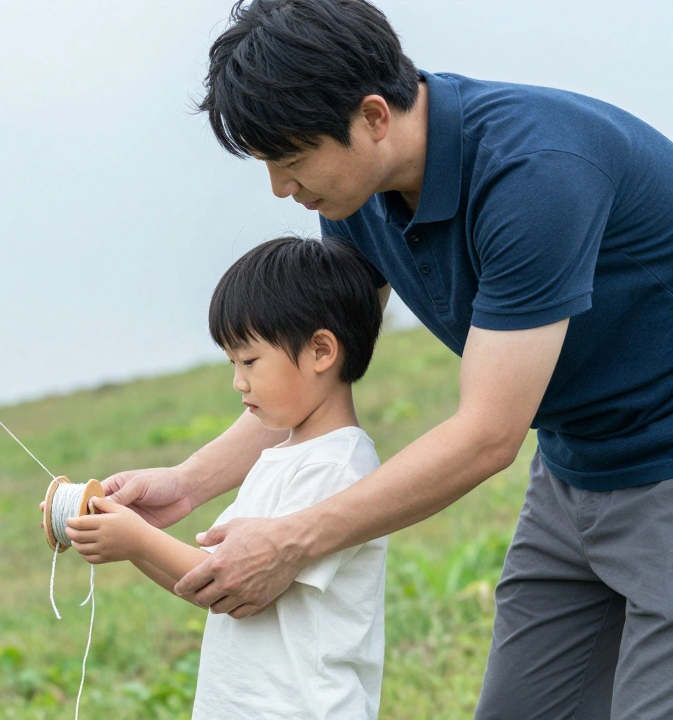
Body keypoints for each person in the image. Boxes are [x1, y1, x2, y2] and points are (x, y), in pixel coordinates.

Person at [103, 1, 673, 716]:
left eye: (291, 159)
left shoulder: (534, 176)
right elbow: (315, 377)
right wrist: (187, 485)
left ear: (373, 116)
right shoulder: (356, 197)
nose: (280, 188)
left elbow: (487, 436)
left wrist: (290, 542)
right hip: (574, 465)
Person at [65, 236, 386, 719]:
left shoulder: (336, 466)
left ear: (321, 350)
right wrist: (129, 537)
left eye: (249, 360)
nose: (238, 381)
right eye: (233, 363)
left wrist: (135, 539)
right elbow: (207, 583)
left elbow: (224, 580)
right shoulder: (278, 457)